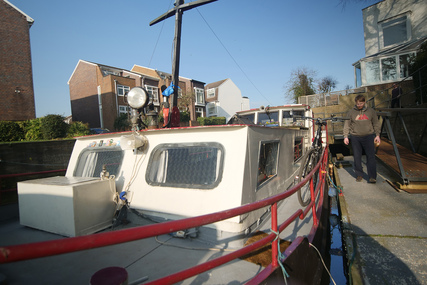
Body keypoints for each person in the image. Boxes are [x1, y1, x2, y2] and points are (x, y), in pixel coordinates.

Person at [343, 94, 381, 183]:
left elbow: (376, 123)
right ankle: (359, 174)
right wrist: (345, 136)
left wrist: (377, 135)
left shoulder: (371, 111)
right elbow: (346, 125)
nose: (359, 105)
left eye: (361, 103)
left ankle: (372, 176)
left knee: (371, 157)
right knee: (357, 157)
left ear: (364, 102)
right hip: (355, 137)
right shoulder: (351, 112)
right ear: (355, 103)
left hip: (368, 136)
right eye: (357, 103)